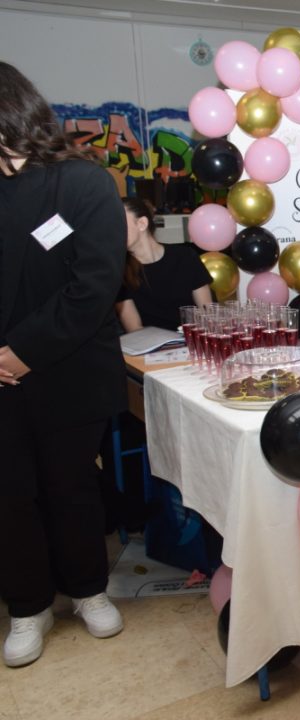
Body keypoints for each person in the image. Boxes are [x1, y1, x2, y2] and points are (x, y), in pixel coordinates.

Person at [0, 61, 127, 668]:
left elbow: (94, 285)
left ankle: (88, 589)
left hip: (69, 368)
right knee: (8, 495)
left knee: (71, 485)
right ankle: (27, 607)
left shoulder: (82, 182)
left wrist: (22, 352)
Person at [115, 197, 212, 332]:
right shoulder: (119, 271)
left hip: (192, 339)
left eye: (119, 223)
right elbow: (135, 330)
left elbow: (208, 316)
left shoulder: (185, 257)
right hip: (150, 343)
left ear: (142, 223)